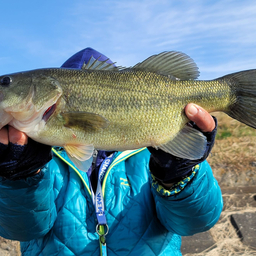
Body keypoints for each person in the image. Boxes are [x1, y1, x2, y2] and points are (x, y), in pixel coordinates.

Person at [0, 48, 223, 256]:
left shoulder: (148, 152)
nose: (3, 86)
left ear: (48, 88)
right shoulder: (30, 155)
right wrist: (18, 181)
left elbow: (197, 222)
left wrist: (178, 176)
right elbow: (20, 230)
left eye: (5, 82)